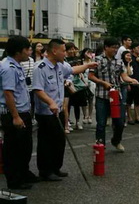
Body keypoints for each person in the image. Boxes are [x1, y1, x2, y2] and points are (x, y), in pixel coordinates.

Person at [32, 39, 97, 181]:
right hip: (46, 112)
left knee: (59, 140)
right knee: (47, 142)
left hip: (59, 110)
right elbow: (37, 89)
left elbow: (73, 70)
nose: (65, 53)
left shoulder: (60, 65)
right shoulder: (40, 67)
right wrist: (50, 102)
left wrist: (88, 65)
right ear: (54, 51)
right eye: (63, 50)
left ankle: (56, 167)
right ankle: (45, 171)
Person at [0, 36, 38, 190]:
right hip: (13, 114)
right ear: (19, 51)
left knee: (25, 146)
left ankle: (23, 173)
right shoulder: (8, 67)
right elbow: (8, 93)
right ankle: (15, 180)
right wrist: (15, 117)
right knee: (14, 149)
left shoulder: (16, 65)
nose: (30, 51)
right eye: (27, 48)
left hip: (23, 112)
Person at [88, 38, 139, 152]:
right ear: (106, 47)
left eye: (117, 47)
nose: (116, 50)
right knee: (101, 123)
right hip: (102, 96)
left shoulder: (119, 61)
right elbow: (90, 76)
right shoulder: (97, 60)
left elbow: (123, 76)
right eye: (113, 47)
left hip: (116, 96)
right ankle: (100, 145)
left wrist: (131, 80)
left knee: (120, 122)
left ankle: (116, 141)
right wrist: (103, 83)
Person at [126, 43, 139, 124]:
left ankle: (137, 117)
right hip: (131, 82)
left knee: (138, 101)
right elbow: (126, 72)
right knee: (129, 101)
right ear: (133, 49)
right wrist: (128, 83)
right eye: (138, 47)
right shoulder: (130, 59)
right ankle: (129, 117)